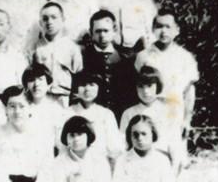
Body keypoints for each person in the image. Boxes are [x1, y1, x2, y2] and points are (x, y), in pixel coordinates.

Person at [133, 9, 198, 148]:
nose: (163, 31)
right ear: (153, 29)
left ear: (177, 30)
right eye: (159, 26)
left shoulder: (185, 57)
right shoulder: (143, 56)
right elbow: (139, 86)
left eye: (168, 27)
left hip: (174, 111)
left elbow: (189, 91)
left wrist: (187, 120)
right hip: (149, 111)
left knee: (175, 152)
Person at [81, 9, 134, 119]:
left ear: (114, 31)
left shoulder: (126, 57)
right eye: (98, 31)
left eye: (106, 31)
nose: (102, 35)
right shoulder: (84, 57)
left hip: (120, 115)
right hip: (93, 115)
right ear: (91, 32)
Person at [30, 1, 82, 105]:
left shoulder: (72, 47)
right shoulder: (36, 47)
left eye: (54, 17)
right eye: (45, 19)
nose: (49, 22)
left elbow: (79, 75)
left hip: (65, 98)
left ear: (63, 20)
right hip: (42, 98)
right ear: (40, 23)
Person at [68, 70, 124, 164]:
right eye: (83, 84)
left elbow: (114, 147)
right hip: (72, 163)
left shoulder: (106, 114)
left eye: (92, 84)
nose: (87, 89)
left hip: (99, 164)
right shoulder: (67, 113)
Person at [22, 63, 72, 153]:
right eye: (31, 80)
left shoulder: (56, 110)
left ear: (49, 84)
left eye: (40, 79)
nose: (36, 84)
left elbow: (61, 144)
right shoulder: (21, 108)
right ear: (26, 85)